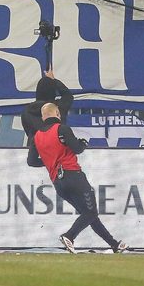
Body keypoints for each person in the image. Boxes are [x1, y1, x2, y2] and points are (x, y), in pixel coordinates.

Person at [27, 103, 128, 254]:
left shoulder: (36, 136)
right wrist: (83, 143)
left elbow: (32, 161)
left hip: (58, 182)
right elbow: (77, 149)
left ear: (43, 116)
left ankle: (114, 244)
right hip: (73, 175)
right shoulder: (62, 129)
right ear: (57, 113)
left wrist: (50, 161)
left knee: (88, 214)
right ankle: (69, 236)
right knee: (91, 213)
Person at [21, 69, 75, 143]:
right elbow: (68, 96)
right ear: (53, 92)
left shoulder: (27, 110)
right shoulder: (59, 106)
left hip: (34, 146)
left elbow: (27, 129)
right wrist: (54, 80)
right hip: (56, 146)